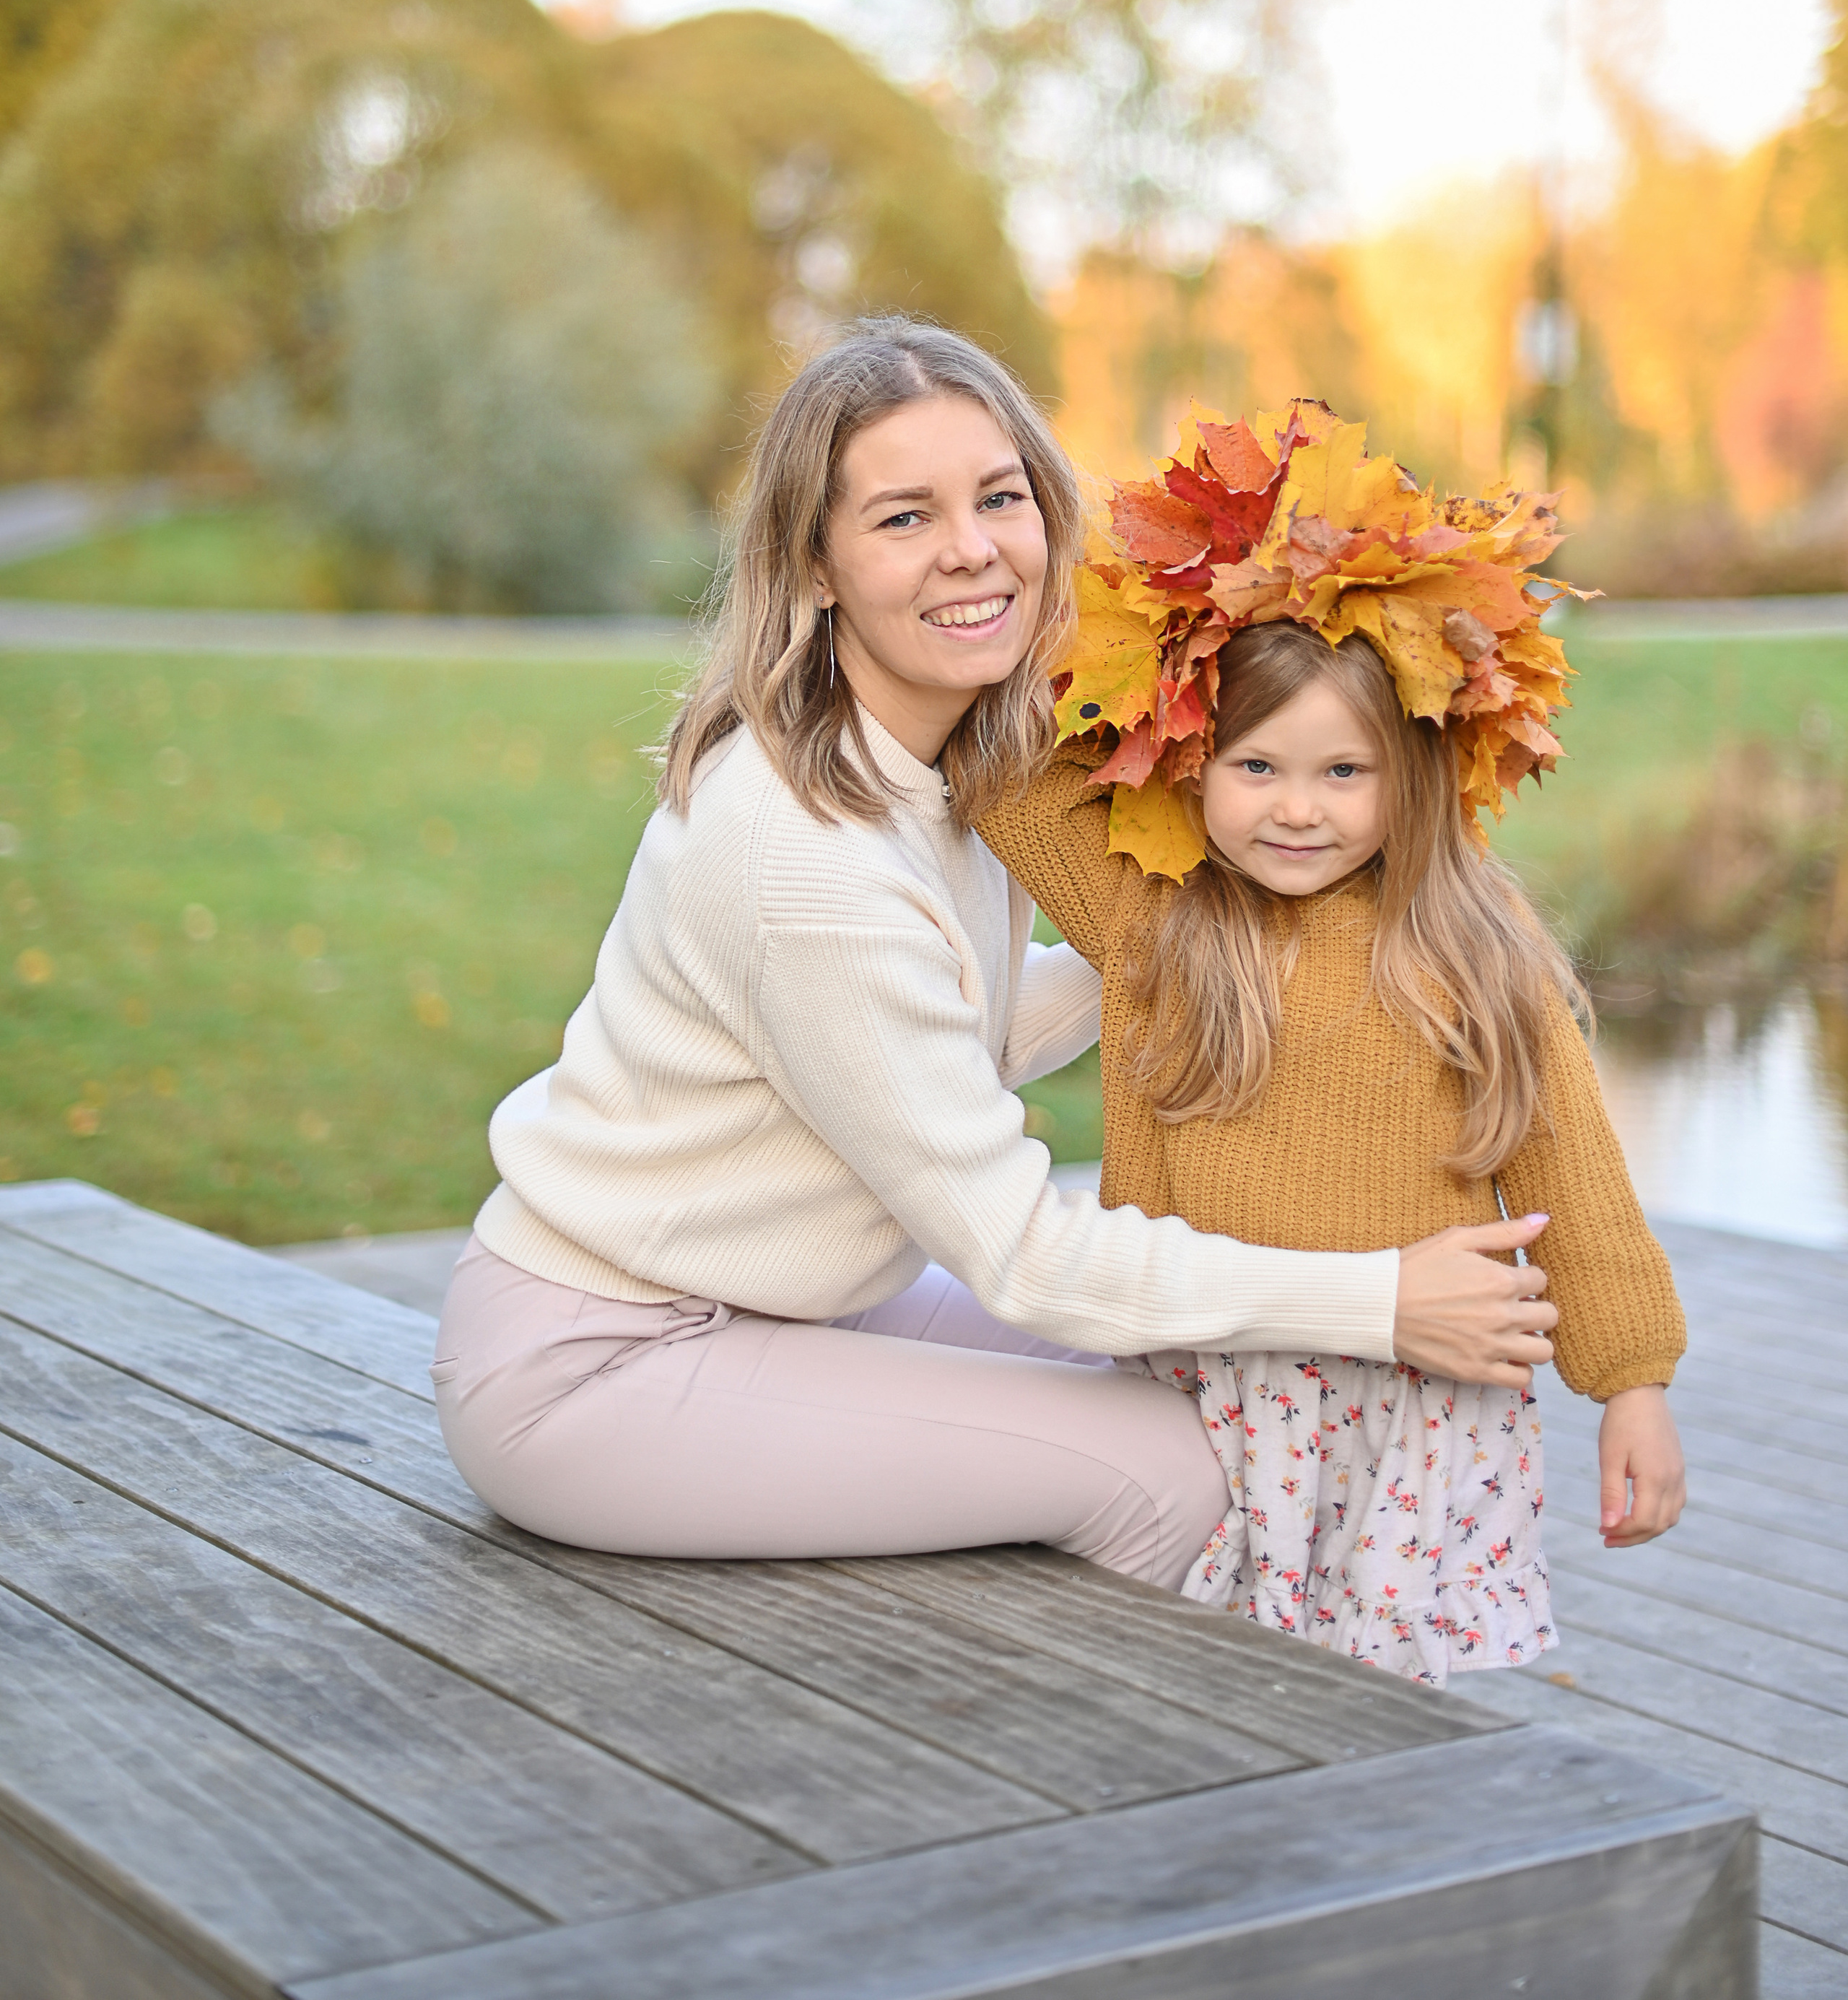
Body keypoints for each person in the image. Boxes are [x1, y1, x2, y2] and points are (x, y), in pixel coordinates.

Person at [433, 322, 1559, 1589]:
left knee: (1198, 1380)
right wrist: (1383, 1298)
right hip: (603, 1366)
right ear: (816, 565)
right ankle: (1139, 1774)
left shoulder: (927, 762)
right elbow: (1025, 1256)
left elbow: (937, 1025)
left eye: (999, 497)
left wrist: (1235, 933)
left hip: (787, 1308)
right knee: (1171, 1473)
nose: (971, 548)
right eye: (904, 518)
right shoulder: (804, 859)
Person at [977, 394, 1685, 1677]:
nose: (1297, 811)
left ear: (1410, 774)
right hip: (1218, 1393)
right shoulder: (1161, 919)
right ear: (1195, 767)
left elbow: (1572, 1177)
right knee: (1211, 1686)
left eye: (1342, 773)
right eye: (1257, 769)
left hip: (1422, 1408)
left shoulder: (1473, 950)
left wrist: (1631, 1383)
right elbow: (1005, 765)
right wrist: (1086, 615)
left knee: (1391, 1699)